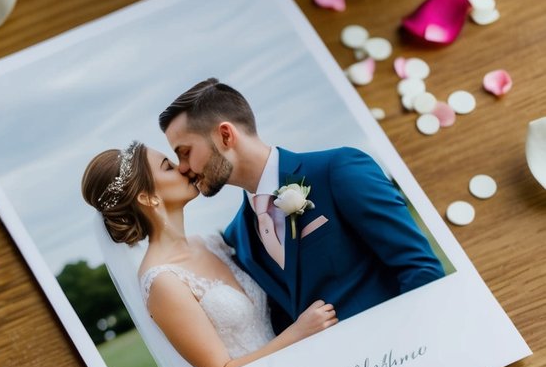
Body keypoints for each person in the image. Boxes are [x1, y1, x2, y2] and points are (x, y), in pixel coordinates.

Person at [159, 77, 445, 332]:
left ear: (225, 135)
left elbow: (420, 268)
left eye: (185, 153)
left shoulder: (339, 169)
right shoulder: (238, 235)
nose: (182, 168)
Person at [82, 141, 337, 367]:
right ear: (148, 198)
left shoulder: (212, 243)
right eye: (168, 167)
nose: (184, 168)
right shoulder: (162, 281)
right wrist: (299, 333)